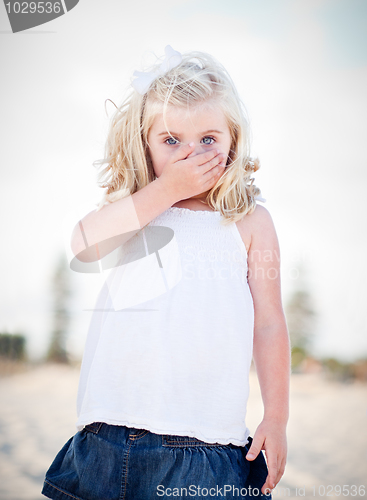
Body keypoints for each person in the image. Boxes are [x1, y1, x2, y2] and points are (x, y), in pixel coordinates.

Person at [42, 45, 290, 500]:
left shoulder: (249, 220)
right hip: (107, 437)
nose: (190, 156)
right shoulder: (135, 211)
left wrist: (276, 416)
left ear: (234, 141)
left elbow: (270, 321)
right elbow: (83, 245)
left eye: (209, 140)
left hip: (204, 444)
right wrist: (165, 191)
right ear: (145, 143)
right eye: (172, 141)